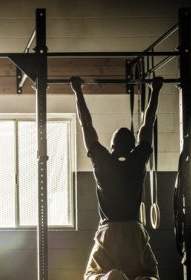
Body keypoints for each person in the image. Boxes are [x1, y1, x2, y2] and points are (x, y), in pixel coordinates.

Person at [70, 76, 162, 280]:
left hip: (109, 232)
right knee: (151, 275)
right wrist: (155, 91)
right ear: (133, 147)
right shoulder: (137, 161)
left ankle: (107, 278)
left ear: (111, 147)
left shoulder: (103, 162)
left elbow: (86, 124)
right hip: (134, 233)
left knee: (92, 276)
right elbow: (148, 124)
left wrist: (77, 91)